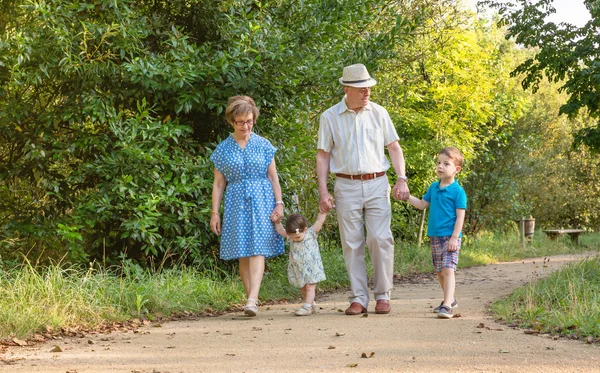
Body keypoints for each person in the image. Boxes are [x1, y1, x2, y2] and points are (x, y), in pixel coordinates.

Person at [317, 63, 410, 315]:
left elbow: (394, 147)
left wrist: (401, 178)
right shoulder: (329, 117)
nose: (366, 92)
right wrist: (323, 191)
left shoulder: (379, 113)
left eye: (368, 87)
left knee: (380, 238)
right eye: (360, 88)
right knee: (351, 243)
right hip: (345, 185)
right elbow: (323, 155)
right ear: (346, 89)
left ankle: (383, 294)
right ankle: (358, 297)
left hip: (377, 182)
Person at [210, 95, 285, 317]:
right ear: (231, 121)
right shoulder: (223, 149)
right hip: (235, 201)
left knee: (258, 248)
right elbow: (218, 184)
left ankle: (252, 298)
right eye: (241, 122)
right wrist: (215, 213)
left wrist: (279, 203)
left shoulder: (263, 145)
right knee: (243, 251)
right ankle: (251, 299)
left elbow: (273, 178)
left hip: (262, 200)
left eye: (249, 121)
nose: (246, 126)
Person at [405, 147, 467, 319]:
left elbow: (460, 217)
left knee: (448, 269)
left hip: (450, 238)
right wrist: (407, 196)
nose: (440, 166)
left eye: (446, 164)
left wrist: (455, 237)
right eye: (439, 163)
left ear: (456, 169)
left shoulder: (458, 192)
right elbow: (422, 205)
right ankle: (450, 299)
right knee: (440, 272)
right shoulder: (433, 187)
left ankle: (447, 306)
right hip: (435, 236)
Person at [273, 212, 327, 316]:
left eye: (297, 237)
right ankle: (311, 304)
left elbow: (319, 221)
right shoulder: (290, 235)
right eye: (292, 237)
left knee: (310, 287)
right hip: (298, 268)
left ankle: (307, 307)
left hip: (312, 268)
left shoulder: (311, 233)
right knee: (302, 287)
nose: (294, 239)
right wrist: (278, 222)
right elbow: (280, 231)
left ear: (305, 230)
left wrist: (322, 212)